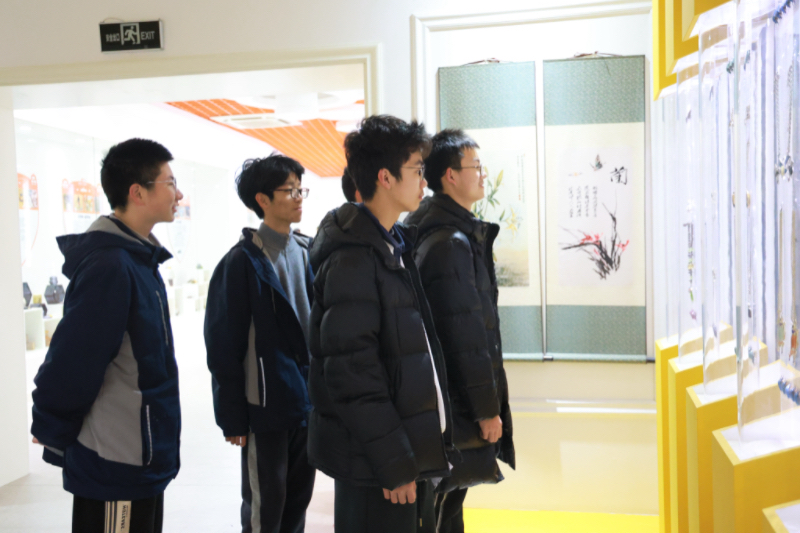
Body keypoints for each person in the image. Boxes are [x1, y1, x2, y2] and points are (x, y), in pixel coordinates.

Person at [308, 115, 454, 533]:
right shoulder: (353, 259)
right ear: (386, 178)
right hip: (375, 465)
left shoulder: (392, 245)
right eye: (417, 170)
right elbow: (353, 375)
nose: (424, 181)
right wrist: (394, 462)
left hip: (398, 452)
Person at [31, 138, 183, 533]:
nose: (178, 194)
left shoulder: (138, 259)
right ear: (137, 192)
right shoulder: (111, 266)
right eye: (169, 183)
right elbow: (74, 359)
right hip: (117, 457)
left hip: (141, 450)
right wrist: (51, 423)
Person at [405, 129, 515, 533]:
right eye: (476, 166)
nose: (483, 175)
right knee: (441, 508)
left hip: (449, 402)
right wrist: (487, 409)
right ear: (450, 175)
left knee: (449, 505)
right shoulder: (450, 242)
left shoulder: (447, 232)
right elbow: (464, 337)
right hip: (454, 406)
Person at [205, 154, 316, 533]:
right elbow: (223, 345)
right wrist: (232, 416)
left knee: (298, 500)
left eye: (301, 189)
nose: (299, 197)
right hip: (265, 404)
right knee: (266, 505)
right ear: (262, 200)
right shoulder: (241, 262)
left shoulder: (306, 251)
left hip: (306, 401)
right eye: (290, 190)